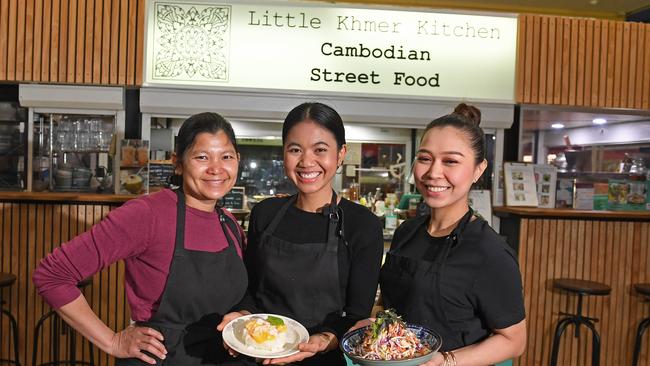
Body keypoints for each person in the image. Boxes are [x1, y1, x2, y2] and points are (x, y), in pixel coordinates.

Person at [33, 112, 250, 365]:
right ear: (177, 163)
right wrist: (111, 341)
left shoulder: (229, 223)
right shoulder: (147, 214)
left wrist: (243, 315)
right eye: (202, 157)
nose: (216, 168)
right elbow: (52, 274)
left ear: (237, 161)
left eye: (226, 157)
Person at [224, 102, 383, 366]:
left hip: (322, 357)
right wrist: (240, 316)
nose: (306, 161)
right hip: (258, 353)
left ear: (341, 154)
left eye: (320, 150)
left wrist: (325, 338)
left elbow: (357, 313)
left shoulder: (362, 225)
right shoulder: (266, 213)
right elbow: (250, 289)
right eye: (295, 149)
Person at [375, 104, 527, 365]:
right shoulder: (406, 232)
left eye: (451, 161)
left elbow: (514, 341)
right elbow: (388, 304)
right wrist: (372, 321)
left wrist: (446, 361)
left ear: (478, 169)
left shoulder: (490, 253)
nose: (434, 172)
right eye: (425, 158)